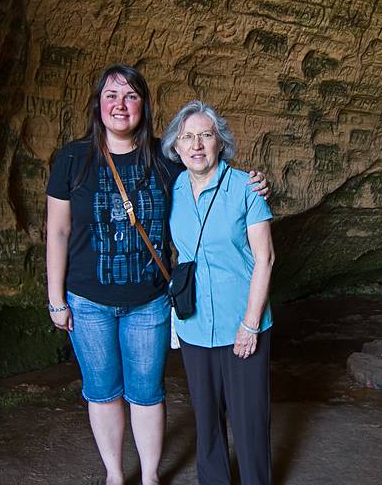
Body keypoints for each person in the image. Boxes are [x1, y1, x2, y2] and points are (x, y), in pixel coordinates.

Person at [45, 65, 268, 485]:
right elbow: (57, 231)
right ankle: (114, 474)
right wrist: (56, 298)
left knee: (147, 394)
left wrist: (254, 183)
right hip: (87, 301)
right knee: (102, 390)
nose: (120, 104)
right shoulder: (72, 159)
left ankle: (149, 478)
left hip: (148, 303)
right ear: (98, 104)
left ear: (143, 106)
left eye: (130, 96)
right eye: (111, 95)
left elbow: (209, 176)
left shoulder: (165, 161)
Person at [161, 100, 274, 485]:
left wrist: (250, 323)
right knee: (206, 419)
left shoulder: (246, 187)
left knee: (249, 420)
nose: (197, 144)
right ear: (176, 147)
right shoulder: (171, 189)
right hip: (193, 325)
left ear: (219, 143)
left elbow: (266, 258)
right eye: (187, 137)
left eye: (206, 135)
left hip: (241, 322)